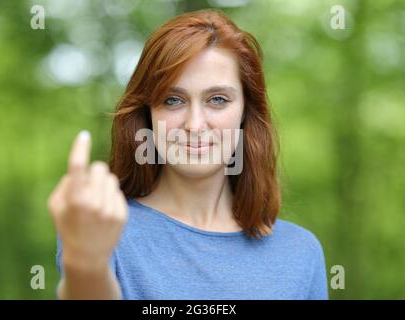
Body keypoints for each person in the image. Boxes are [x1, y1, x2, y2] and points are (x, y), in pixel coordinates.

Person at [48, 9, 328, 300]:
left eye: (217, 100)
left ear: (246, 112)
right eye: (173, 100)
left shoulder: (300, 253)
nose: (194, 125)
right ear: (148, 114)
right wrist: (86, 266)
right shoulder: (103, 230)